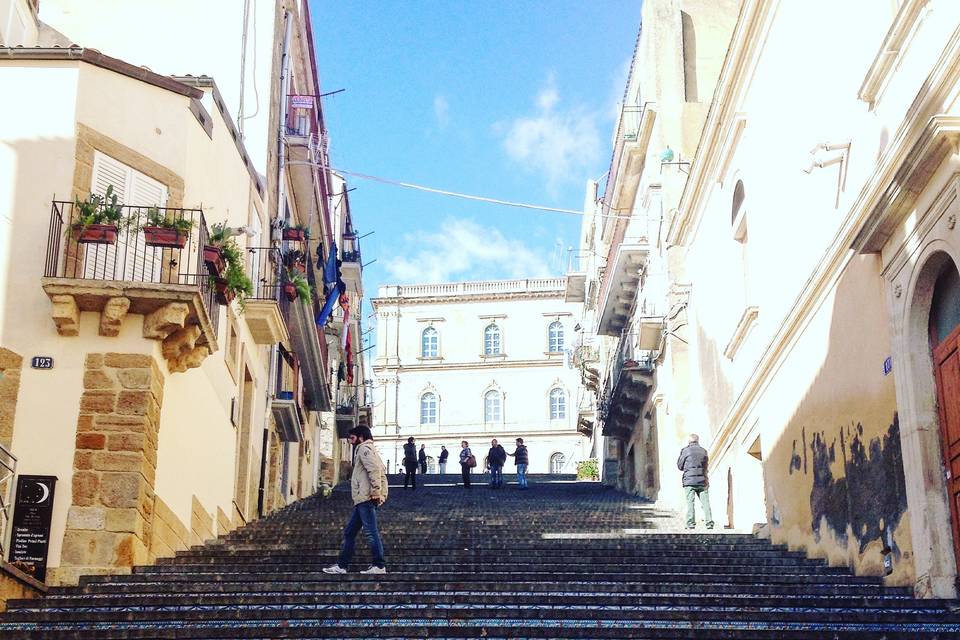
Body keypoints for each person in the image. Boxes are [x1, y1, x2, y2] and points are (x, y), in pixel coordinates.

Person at [322, 426, 388, 575]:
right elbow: (380, 471)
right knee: (350, 533)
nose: (351, 442)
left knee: (371, 532)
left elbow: (375, 471)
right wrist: (381, 493)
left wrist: (377, 492)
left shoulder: (364, 450)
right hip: (362, 499)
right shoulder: (371, 450)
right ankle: (342, 566)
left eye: (352, 438)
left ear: (361, 437)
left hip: (365, 498)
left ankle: (379, 565)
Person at [677, 433, 714, 530]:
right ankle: (709, 523)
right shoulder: (704, 451)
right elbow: (706, 466)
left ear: (689, 441)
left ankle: (690, 523)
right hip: (702, 480)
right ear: (698, 441)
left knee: (690, 502)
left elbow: (680, 466)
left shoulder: (685, 451)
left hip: (689, 481)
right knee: (705, 503)